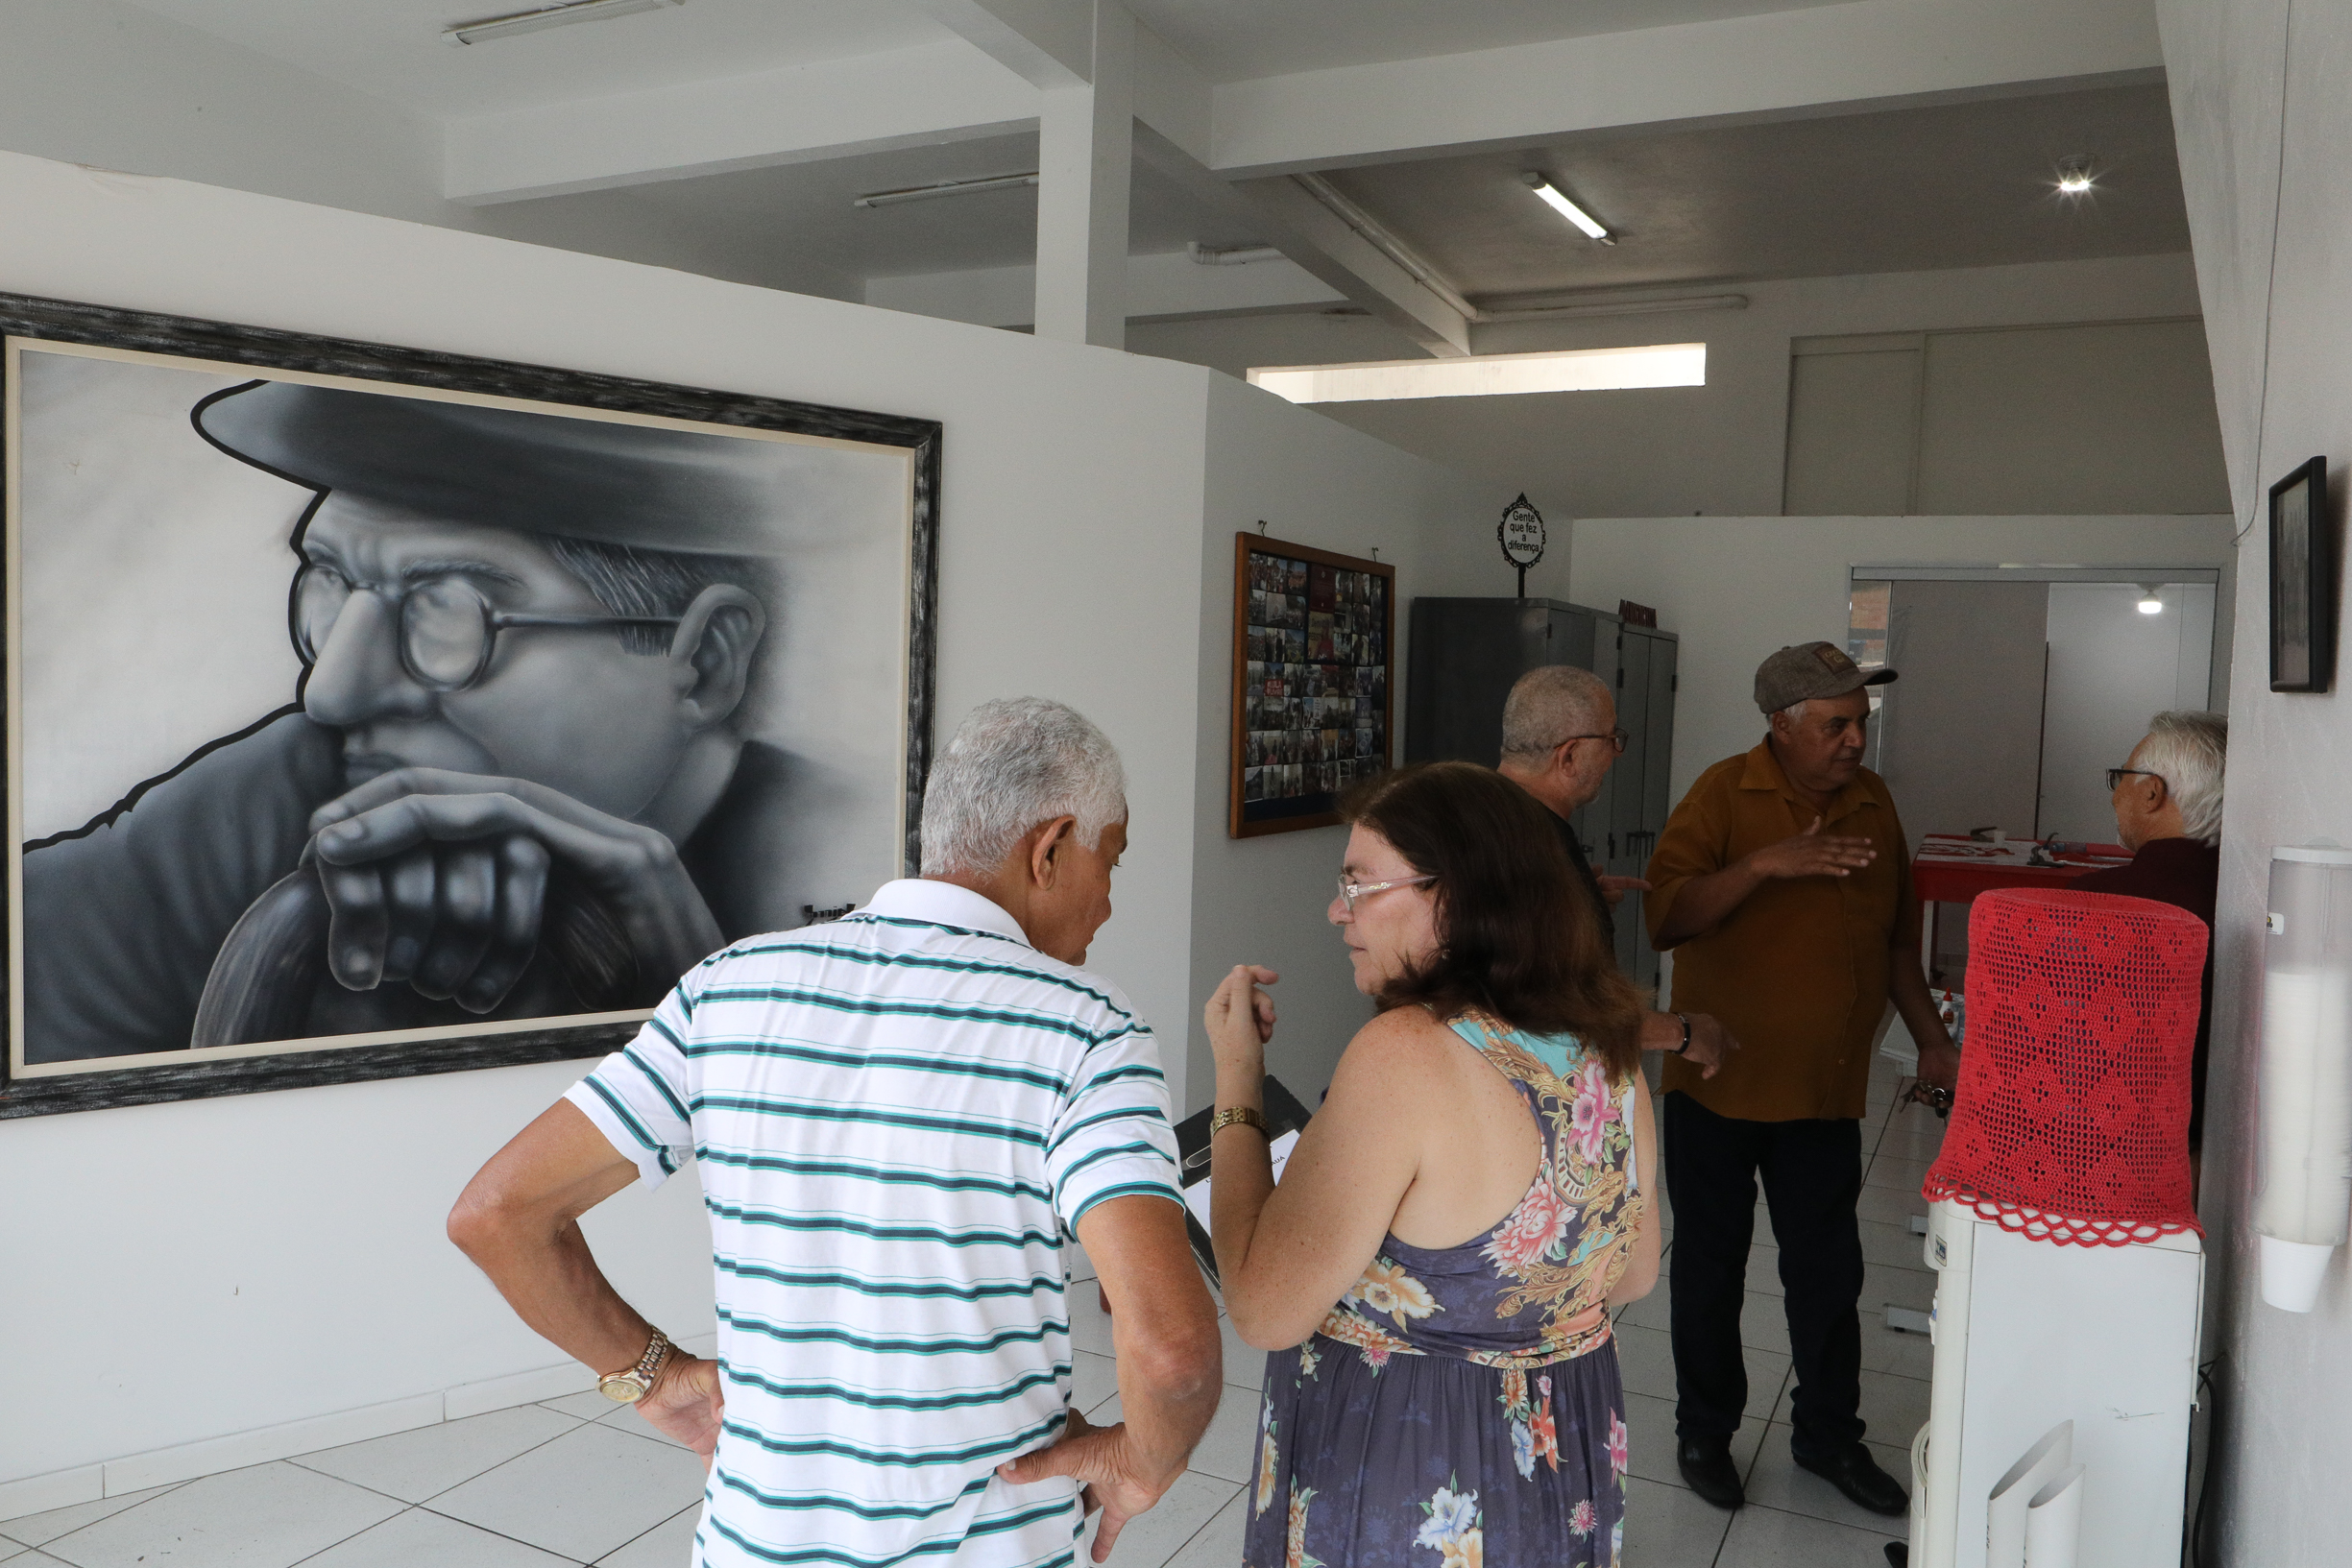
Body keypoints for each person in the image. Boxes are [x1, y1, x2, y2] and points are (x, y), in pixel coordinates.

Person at [447, 698, 1222, 1568]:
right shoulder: (1086, 1027)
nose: (1108, 902)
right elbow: (1172, 1352)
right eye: (1108, 862)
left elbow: (498, 1213)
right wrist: (1140, 1463)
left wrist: (653, 1376)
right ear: (1050, 848)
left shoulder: (727, 987)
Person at [21, 379, 820, 1063]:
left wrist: (685, 982)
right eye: (330, 579)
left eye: (447, 610)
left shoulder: (837, 869)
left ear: (706, 658)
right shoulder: (277, 793)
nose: (330, 692)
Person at [1207, 761, 1661, 1567]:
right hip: (1554, 1467)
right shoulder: (1608, 1052)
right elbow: (1630, 1275)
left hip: (1415, 1465)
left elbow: (1264, 1308)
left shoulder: (1406, 1054)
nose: (1335, 910)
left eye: (1358, 885)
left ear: (1454, 894)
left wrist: (1236, 1081)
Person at [1642, 642, 1959, 1517]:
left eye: (1860, 720)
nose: (1854, 738)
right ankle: (1704, 1428)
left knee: (1827, 1274)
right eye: (1834, 723)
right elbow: (1664, 917)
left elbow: (1897, 942)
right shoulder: (1722, 793)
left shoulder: (1872, 800)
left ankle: (1828, 1438)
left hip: (1821, 1093)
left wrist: (1932, 1041)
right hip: (1716, 1086)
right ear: (1779, 726)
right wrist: (1760, 866)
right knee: (1709, 1264)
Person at [1495, 663, 1738, 1078]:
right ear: (1569, 755)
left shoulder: (1493, 818)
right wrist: (1682, 1032)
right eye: (1611, 740)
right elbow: (1557, 1010)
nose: (1617, 753)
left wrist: (1576, 900)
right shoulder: (1526, 847)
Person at [2073, 710, 2227, 1147]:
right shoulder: (2252, 898)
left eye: (2120, 777)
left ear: (2153, 793)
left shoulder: (2094, 901)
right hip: (2218, 1154)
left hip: (2103, 1152)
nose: (2115, 794)